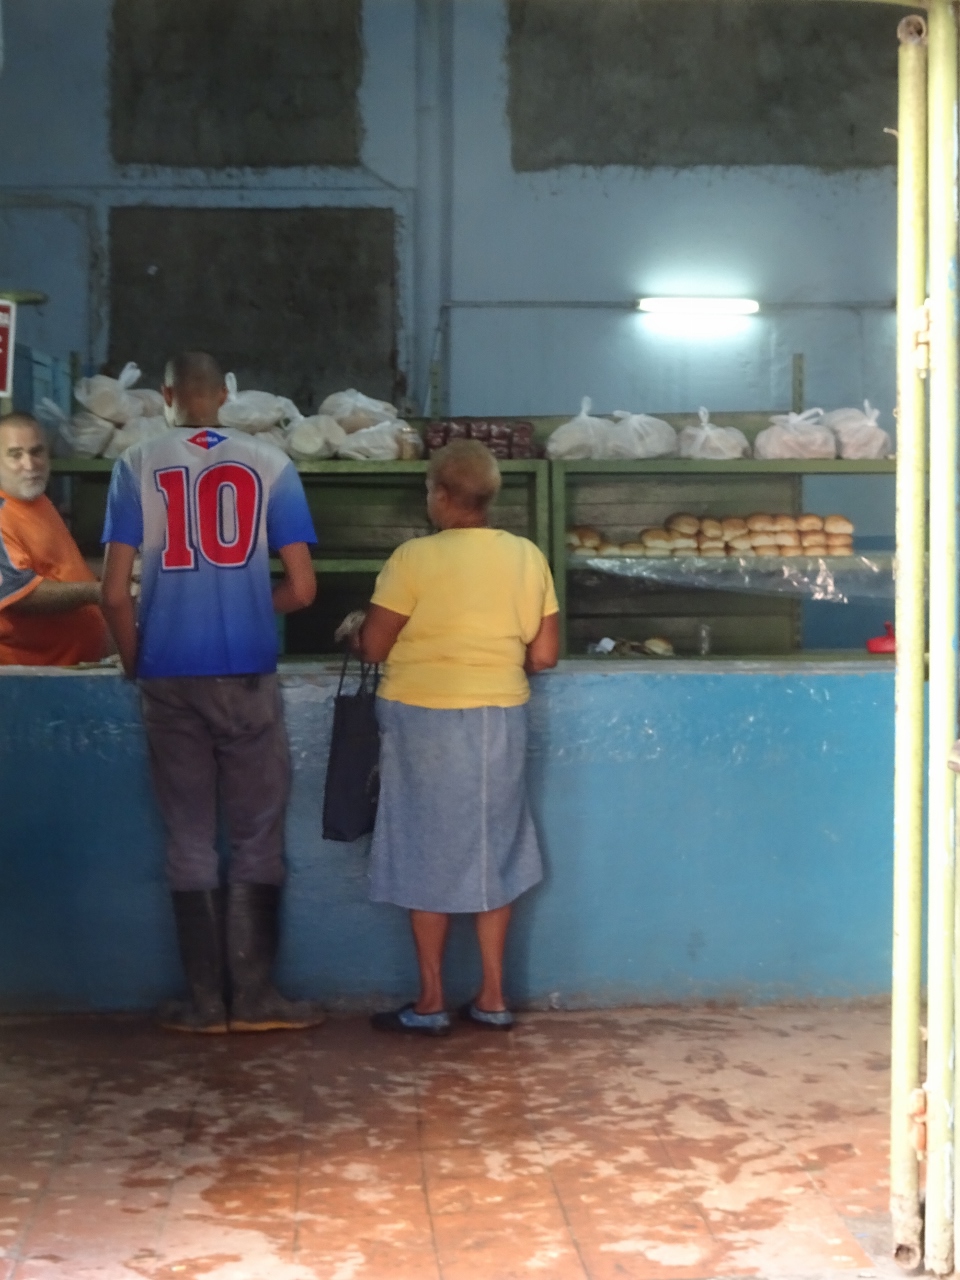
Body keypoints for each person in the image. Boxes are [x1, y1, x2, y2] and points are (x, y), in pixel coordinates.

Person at [100, 352, 324, 1035]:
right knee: (257, 836)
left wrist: (138, 661)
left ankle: (203, 1005)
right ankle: (254, 999)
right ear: (225, 395)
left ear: (166, 395)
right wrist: (253, 606)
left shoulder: (135, 464)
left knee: (189, 838)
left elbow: (113, 594)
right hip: (247, 675)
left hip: (169, 676)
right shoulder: (272, 465)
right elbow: (304, 589)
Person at [354, 439, 560, 1036]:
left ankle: (431, 1002)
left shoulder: (413, 558)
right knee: (497, 847)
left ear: (442, 496)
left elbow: (373, 647)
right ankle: (493, 997)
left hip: (422, 717)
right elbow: (543, 655)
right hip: (500, 717)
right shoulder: (526, 557)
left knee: (424, 849)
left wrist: (358, 630)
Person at [0, 413, 109, 666]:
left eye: (36, 452)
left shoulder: (37, 501)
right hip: (30, 678)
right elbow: (23, 596)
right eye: (15, 455)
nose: (30, 464)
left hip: (71, 667)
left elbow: (61, 568)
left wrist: (119, 571)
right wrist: (101, 591)